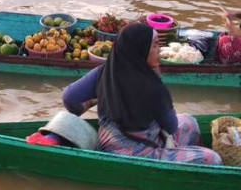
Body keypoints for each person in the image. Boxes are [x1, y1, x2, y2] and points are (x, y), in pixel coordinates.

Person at [62, 23, 222, 165]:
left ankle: (177, 155)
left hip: (105, 141)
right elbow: (171, 126)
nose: (159, 51)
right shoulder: (153, 86)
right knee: (212, 158)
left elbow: (69, 98)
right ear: (140, 50)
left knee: (189, 121)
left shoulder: (105, 71)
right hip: (136, 153)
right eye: (155, 46)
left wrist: (93, 101)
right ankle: (178, 161)